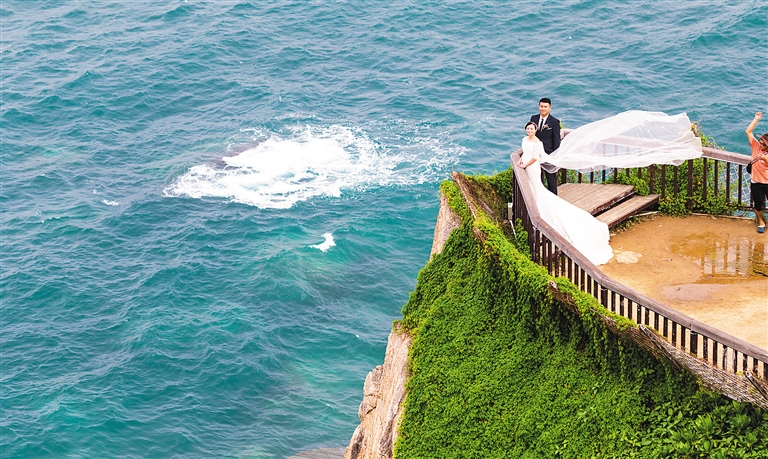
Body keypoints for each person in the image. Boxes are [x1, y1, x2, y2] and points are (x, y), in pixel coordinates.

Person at [516, 121, 613, 265]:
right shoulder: (524, 140)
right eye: (528, 128)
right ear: (526, 130)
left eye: (532, 128)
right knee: (532, 188)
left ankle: (536, 210)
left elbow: (535, 157)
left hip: (533, 168)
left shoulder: (537, 142)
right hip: (525, 166)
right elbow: (525, 153)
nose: (529, 130)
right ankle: (535, 208)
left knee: (536, 188)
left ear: (535, 130)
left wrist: (525, 164)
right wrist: (519, 163)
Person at [530, 98, 561, 195]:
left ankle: (554, 201)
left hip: (548, 154)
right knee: (535, 178)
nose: (543, 108)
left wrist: (555, 155)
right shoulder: (533, 118)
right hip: (535, 154)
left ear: (550, 108)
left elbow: (556, 140)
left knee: (551, 181)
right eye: (541, 106)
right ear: (538, 107)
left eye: (545, 107)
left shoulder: (554, 122)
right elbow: (531, 134)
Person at [746, 111, 768, 233]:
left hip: (767, 182)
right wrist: (756, 119)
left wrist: (765, 159)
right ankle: (761, 222)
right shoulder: (755, 146)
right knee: (758, 204)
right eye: (761, 141)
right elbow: (748, 132)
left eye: (763, 144)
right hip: (756, 182)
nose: (760, 144)